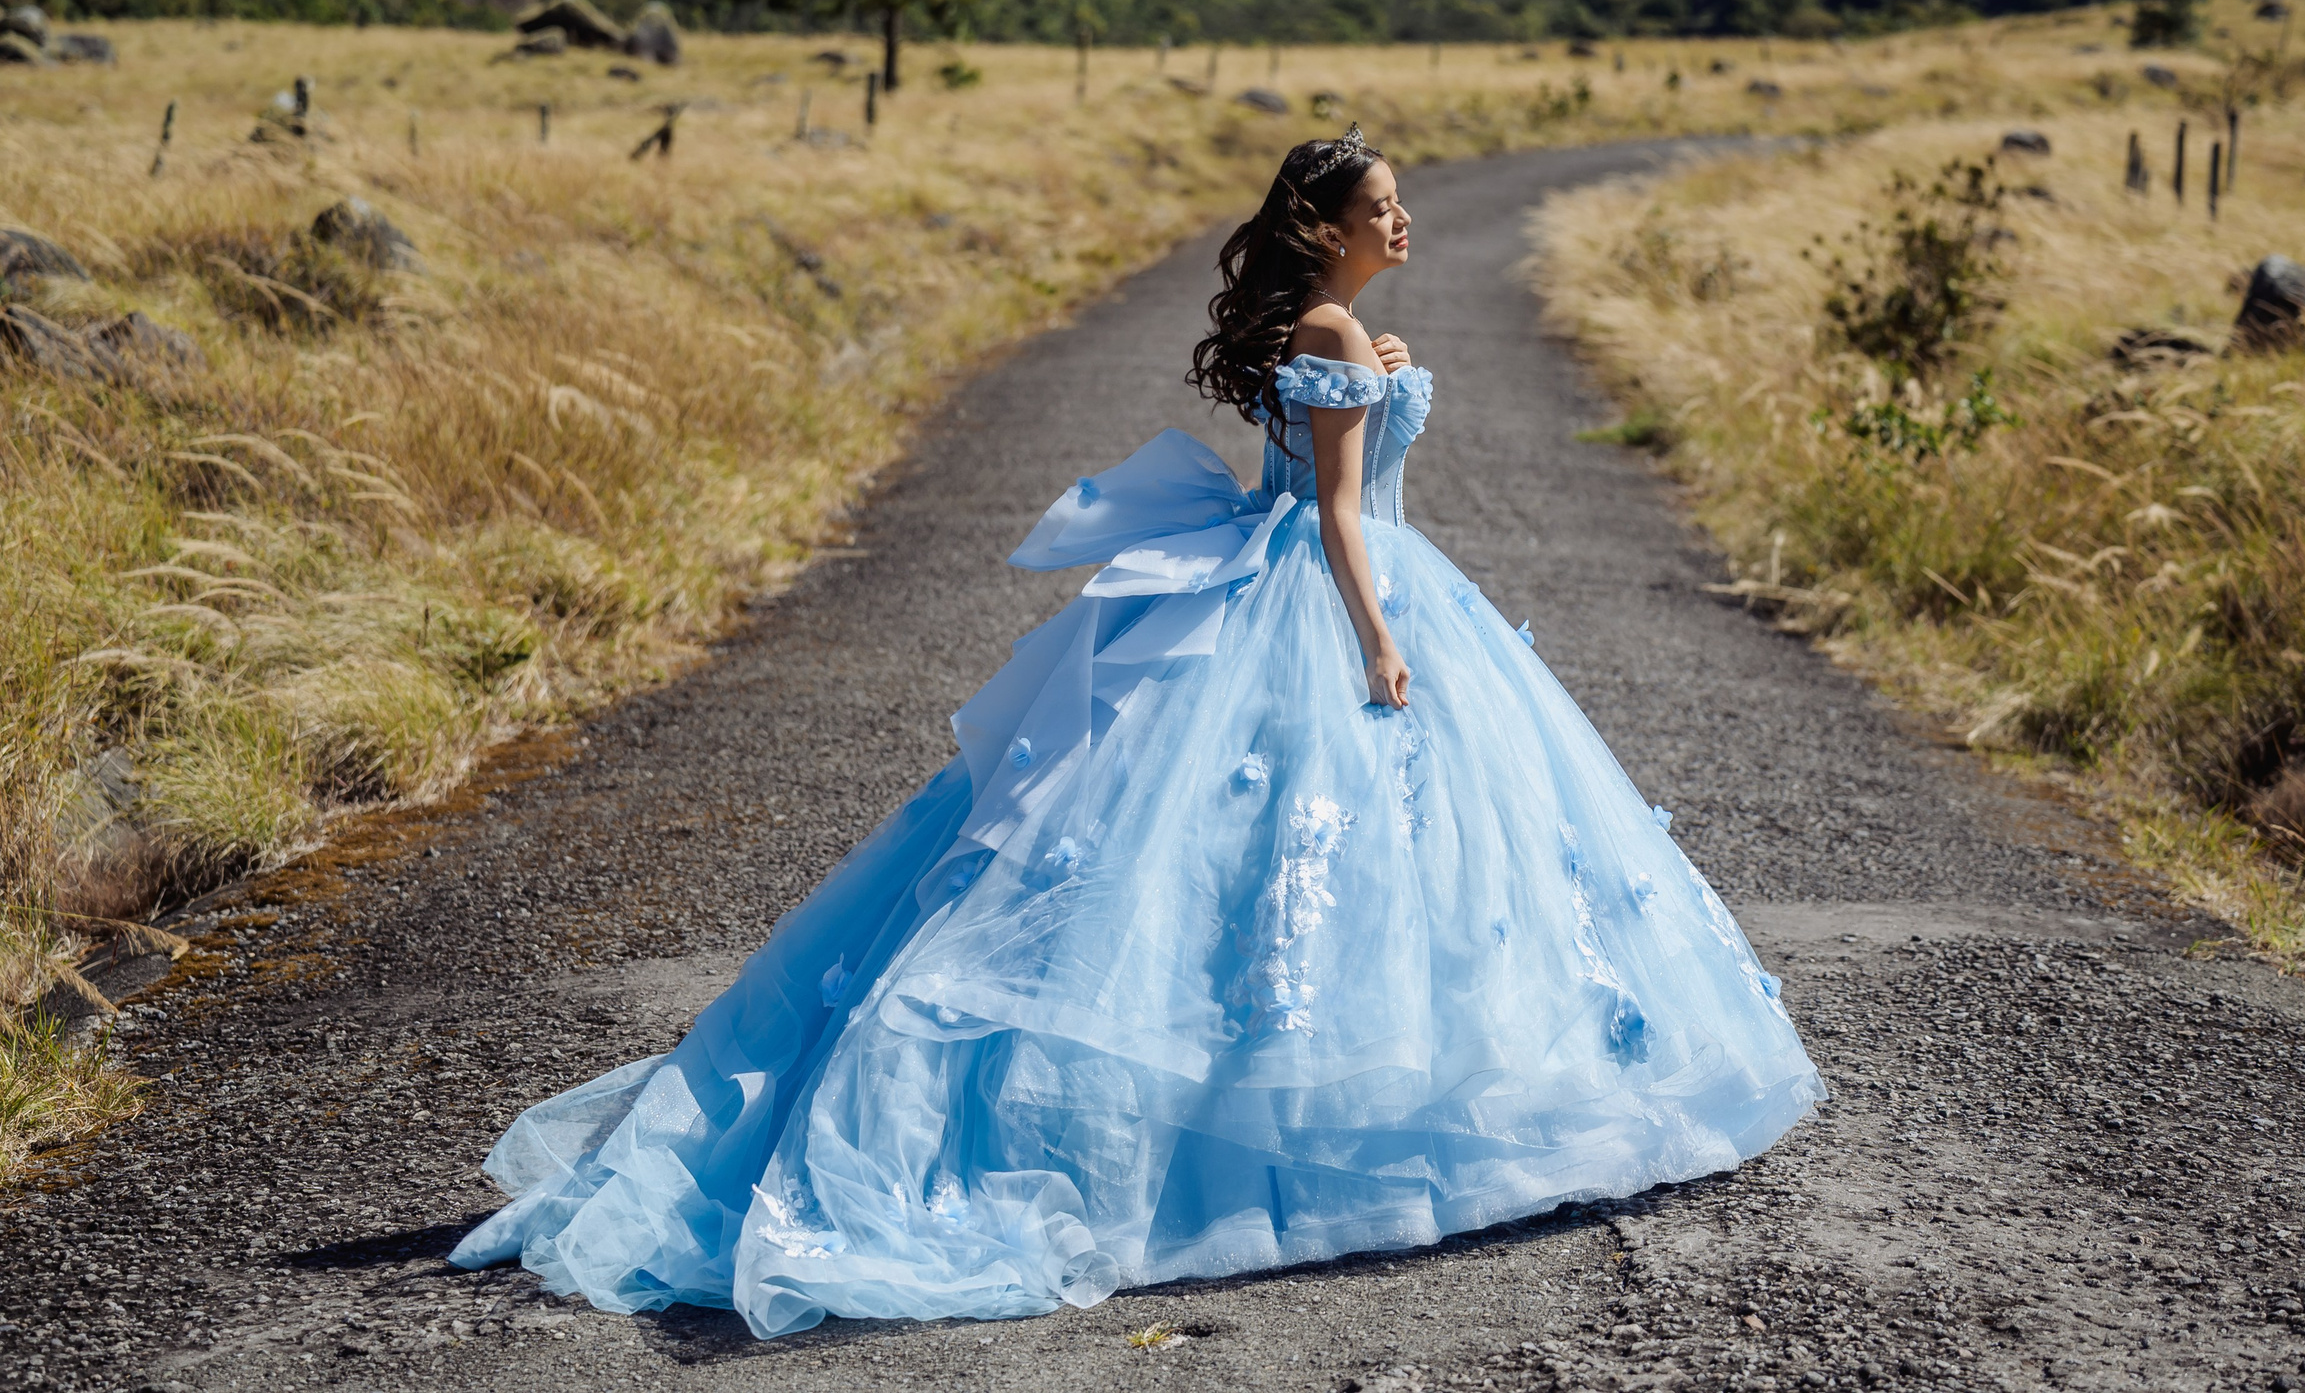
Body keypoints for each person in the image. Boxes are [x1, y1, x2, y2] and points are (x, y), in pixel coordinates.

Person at [450, 127, 1826, 1335]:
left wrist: (1381, 374)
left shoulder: (1326, 330)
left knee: (1243, 849)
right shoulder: (1331, 336)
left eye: (1401, 203)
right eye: (1382, 207)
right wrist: (1378, 637)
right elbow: (1337, 513)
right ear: (1326, 229)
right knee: (1354, 853)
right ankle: (1315, 1121)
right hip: (1341, 585)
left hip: (1285, 570)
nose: (1405, 221)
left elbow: (1318, 454)